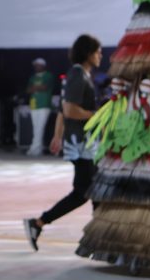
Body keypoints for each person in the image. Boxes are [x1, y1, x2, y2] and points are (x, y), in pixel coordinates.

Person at [24, 36, 101, 250]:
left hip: (82, 143)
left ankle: (100, 235)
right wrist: (96, 115)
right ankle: (38, 223)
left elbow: (62, 110)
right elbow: (69, 110)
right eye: (97, 51)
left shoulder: (80, 74)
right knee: (84, 191)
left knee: (93, 189)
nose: (100, 55)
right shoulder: (78, 74)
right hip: (81, 145)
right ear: (88, 53)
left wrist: (58, 136)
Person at [25, 57, 54, 155]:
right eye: (35, 65)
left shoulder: (48, 75)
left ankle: (35, 149)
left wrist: (35, 88)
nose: (36, 67)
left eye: (38, 65)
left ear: (43, 66)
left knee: (40, 127)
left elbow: (44, 87)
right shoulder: (33, 77)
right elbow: (28, 90)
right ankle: (36, 148)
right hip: (34, 104)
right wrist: (37, 88)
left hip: (44, 104)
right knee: (35, 127)